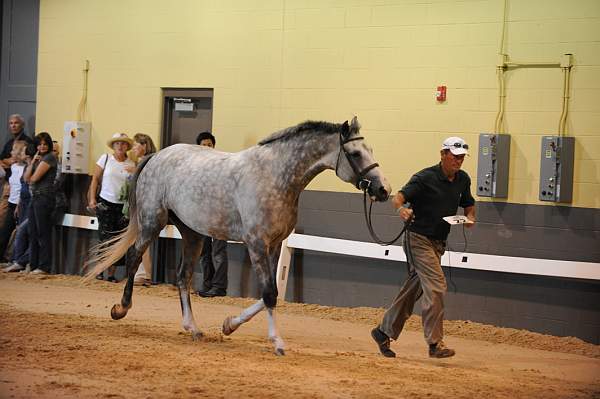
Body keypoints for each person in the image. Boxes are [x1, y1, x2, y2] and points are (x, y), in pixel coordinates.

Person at [371, 136, 476, 359]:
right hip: (417, 239)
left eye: (461, 158)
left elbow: (469, 205)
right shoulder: (424, 177)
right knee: (437, 286)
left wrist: (470, 218)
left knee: (414, 290)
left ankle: (383, 332)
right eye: (455, 156)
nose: (458, 161)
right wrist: (402, 210)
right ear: (443, 154)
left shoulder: (462, 179)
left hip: (438, 243)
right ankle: (435, 343)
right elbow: (398, 198)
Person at [87, 133, 135, 282]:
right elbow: (95, 178)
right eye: (117, 143)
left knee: (117, 239)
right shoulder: (105, 158)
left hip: (123, 207)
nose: (120, 146)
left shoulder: (132, 164)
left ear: (127, 146)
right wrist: (92, 198)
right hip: (106, 202)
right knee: (104, 236)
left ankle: (112, 273)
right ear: (113, 146)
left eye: (123, 143)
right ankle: (100, 270)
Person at [195, 131, 229, 298]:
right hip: (202, 215)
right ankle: (207, 283)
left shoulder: (222, 164)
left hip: (219, 214)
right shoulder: (195, 168)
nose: (207, 147)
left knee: (219, 252)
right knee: (204, 252)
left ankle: (219, 286)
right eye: (204, 145)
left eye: (209, 144)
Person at [124, 133, 157, 286]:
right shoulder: (145, 161)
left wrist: (134, 171)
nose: (134, 148)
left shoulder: (147, 162)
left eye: (137, 145)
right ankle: (142, 272)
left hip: (146, 205)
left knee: (142, 239)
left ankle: (145, 274)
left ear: (144, 145)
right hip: (143, 203)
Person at [23, 132, 58, 275]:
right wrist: (31, 163)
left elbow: (34, 179)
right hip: (35, 198)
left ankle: (44, 266)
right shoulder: (38, 159)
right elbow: (26, 178)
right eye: (40, 144)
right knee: (32, 232)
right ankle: (33, 264)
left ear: (49, 145)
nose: (42, 146)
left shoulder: (50, 157)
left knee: (43, 233)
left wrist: (33, 166)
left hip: (44, 198)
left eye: (45, 144)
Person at [2, 143, 35, 272]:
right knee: (20, 232)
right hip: (22, 203)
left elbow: (29, 183)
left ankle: (22, 261)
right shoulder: (23, 167)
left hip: (31, 203)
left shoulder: (30, 167)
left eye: (20, 152)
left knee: (24, 231)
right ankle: (16, 260)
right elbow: (23, 188)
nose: (13, 154)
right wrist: (19, 204)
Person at [0, 141, 28, 262]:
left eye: (14, 150)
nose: (11, 153)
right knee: (6, 230)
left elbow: (23, 186)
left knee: (20, 232)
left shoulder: (25, 168)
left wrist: (19, 203)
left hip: (20, 203)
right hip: (11, 202)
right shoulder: (13, 167)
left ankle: (16, 259)